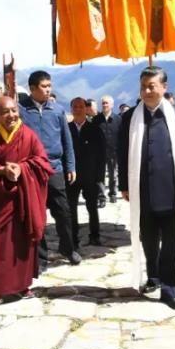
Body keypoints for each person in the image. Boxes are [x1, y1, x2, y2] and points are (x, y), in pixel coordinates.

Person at [118, 66, 175, 310]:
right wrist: (124, 185)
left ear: (164, 87)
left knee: (171, 240)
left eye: (152, 86)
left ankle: (170, 288)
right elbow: (122, 154)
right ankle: (153, 274)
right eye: (143, 86)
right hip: (141, 190)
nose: (147, 91)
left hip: (173, 189)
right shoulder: (130, 117)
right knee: (149, 238)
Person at [0, 95, 53, 308]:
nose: (11, 115)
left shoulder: (28, 135)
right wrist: (0, 170)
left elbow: (42, 163)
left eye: (14, 111)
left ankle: (22, 284)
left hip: (22, 198)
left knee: (22, 242)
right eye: (5, 112)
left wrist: (22, 169)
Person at [19, 71, 81, 266]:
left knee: (63, 211)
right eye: (44, 86)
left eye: (49, 86)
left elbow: (66, 140)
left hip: (55, 168)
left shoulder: (57, 111)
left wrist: (70, 165)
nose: (48, 90)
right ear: (32, 88)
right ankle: (40, 255)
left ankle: (68, 248)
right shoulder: (21, 111)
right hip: (31, 169)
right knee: (36, 214)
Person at [68, 97, 105, 247]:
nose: (78, 109)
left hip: (90, 175)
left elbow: (102, 154)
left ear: (86, 109)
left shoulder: (95, 129)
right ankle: (73, 237)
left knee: (92, 207)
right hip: (72, 176)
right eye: (75, 107)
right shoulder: (67, 129)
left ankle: (94, 235)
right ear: (71, 109)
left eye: (81, 107)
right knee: (71, 208)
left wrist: (99, 177)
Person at [94, 95, 120, 205]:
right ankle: (101, 196)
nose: (104, 105)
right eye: (103, 103)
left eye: (106, 103)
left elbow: (121, 135)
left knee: (113, 174)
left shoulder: (118, 119)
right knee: (99, 175)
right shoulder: (96, 119)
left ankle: (113, 193)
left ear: (112, 105)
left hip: (113, 152)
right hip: (99, 152)